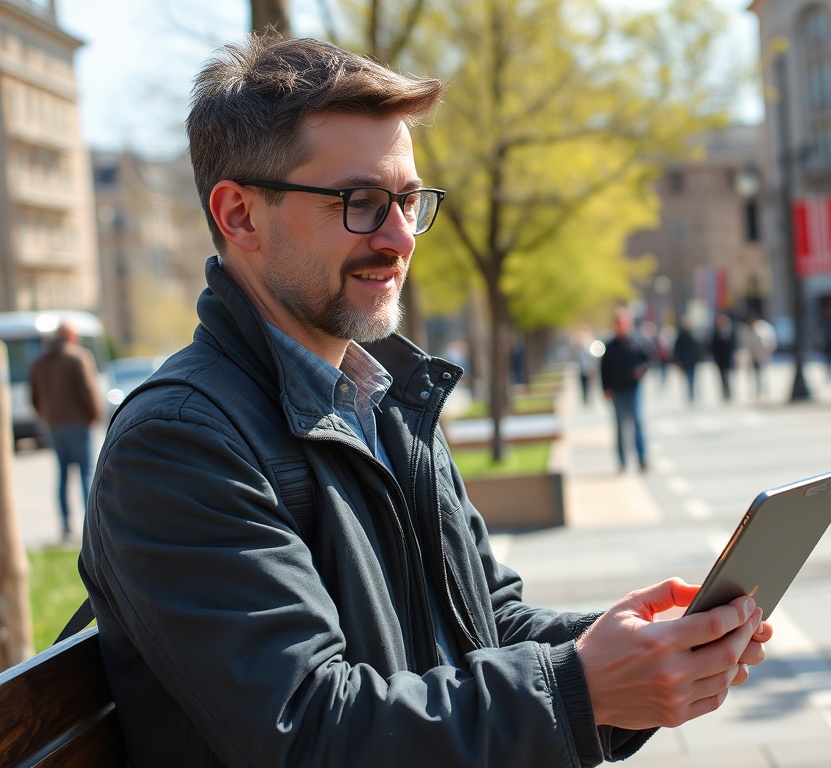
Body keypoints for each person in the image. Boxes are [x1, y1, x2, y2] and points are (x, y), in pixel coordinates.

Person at [78, 35, 771, 767]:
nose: (400, 237)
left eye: (409, 200)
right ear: (241, 216)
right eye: (362, 203)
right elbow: (311, 732)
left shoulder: (384, 400)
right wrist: (580, 688)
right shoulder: (179, 445)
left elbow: (486, 621)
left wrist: (638, 651)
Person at [29, 321, 103, 540]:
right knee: (86, 474)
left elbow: (33, 396)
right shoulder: (78, 357)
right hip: (79, 424)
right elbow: (88, 392)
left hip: (54, 426)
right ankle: (92, 526)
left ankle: (65, 525)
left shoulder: (40, 362)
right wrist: (94, 417)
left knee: (62, 476)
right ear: (69, 337)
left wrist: (47, 416)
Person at [600, 307, 653, 472]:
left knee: (637, 421)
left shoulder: (637, 341)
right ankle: (622, 461)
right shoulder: (610, 346)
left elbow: (649, 360)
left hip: (633, 389)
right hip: (617, 391)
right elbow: (604, 369)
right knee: (620, 426)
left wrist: (641, 370)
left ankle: (642, 458)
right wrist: (606, 389)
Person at [737, 313, 775, 399]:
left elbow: (770, 342)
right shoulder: (745, 330)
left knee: (763, 374)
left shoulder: (763, 328)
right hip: (752, 356)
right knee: (752, 375)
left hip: (762, 356)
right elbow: (744, 343)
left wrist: (766, 353)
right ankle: (755, 392)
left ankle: (764, 391)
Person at [672, 316, 702, 405]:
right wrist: (678, 361)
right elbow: (677, 349)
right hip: (685, 360)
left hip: (693, 360)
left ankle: (693, 394)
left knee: (693, 377)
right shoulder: (682, 335)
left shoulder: (693, 333)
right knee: (689, 377)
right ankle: (690, 394)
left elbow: (697, 348)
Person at [710, 313, 736, 402]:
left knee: (729, 375)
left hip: (728, 358)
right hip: (719, 359)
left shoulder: (729, 331)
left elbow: (733, 344)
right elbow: (713, 346)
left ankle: (729, 392)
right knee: (722, 376)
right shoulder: (716, 333)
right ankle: (724, 393)